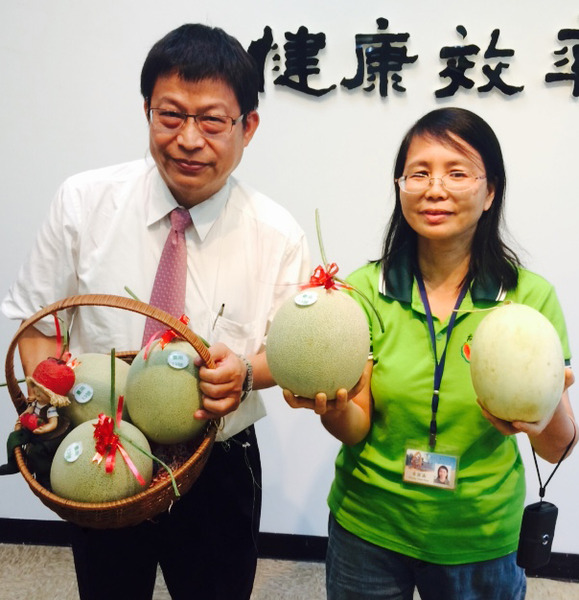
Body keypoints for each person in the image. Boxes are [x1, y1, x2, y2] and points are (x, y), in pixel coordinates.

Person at [2, 24, 310, 600]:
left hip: (217, 456)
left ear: (248, 127)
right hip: (101, 446)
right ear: (146, 111)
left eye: (212, 121)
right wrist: (48, 402)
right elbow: (39, 322)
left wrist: (246, 373)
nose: (188, 139)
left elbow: (292, 352)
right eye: (170, 115)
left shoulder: (277, 233)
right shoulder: (83, 202)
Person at [284, 107, 576, 600]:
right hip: (369, 524)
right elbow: (356, 427)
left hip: (480, 534)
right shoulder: (362, 290)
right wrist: (331, 409)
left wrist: (542, 414)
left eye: (457, 173)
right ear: (400, 188)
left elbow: (556, 448)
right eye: (418, 173)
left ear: (490, 192)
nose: (434, 189)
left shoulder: (528, 298)